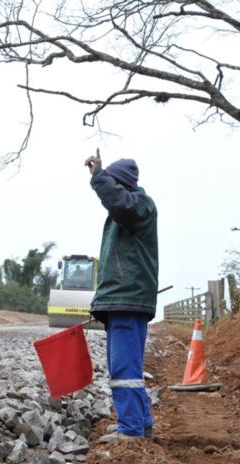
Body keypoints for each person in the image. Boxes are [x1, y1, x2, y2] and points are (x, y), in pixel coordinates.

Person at [84, 149, 158, 443]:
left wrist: (99, 177)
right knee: (127, 367)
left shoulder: (139, 205)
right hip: (124, 300)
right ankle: (141, 423)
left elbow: (120, 203)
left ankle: (131, 428)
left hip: (128, 299)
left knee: (124, 367)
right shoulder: (129, 211)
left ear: (122, 185)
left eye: (113, 185)